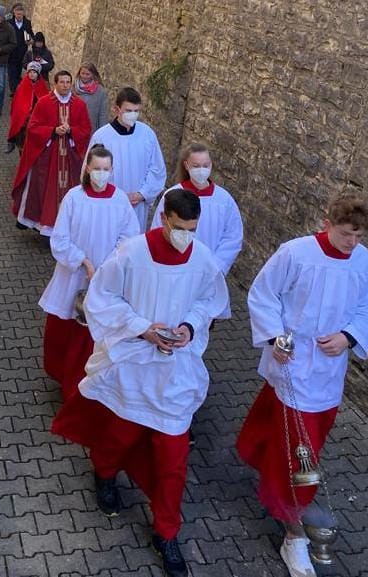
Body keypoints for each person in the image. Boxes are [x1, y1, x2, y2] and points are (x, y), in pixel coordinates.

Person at [52, 188, 230, 577]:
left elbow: (209, 301)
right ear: (164, 218)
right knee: (120, 435)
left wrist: (188, 327)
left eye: (193, 229)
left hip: (174, 370)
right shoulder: (131, 252)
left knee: (173, 458)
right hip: (135, 361)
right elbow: (102, 297)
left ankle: (166, 532)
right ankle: (104, 473)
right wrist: (141, 328)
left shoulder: (201, 258)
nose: (186, 236)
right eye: (180, 227)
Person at [236, 193, 368, 577]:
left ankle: (268, 474)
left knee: (301, 436)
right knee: (300, 449)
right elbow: (263, 293)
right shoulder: (295, 253)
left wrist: (348, 337)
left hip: (328, 370)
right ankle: (293, 528)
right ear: (327, 223)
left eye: (359, 236)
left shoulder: (363, 262)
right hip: (292, 362)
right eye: (348, 234)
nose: (353, 243)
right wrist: (274, 337)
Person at [39, 144, 139, 398]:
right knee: (67, 332)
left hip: (106, 279)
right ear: (87, 168)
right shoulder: (74, 197)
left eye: (106, 169)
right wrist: (84, 262)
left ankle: (89, 385)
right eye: (97, 169)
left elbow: (129, 239)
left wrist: (107, 267)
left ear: (111, 170)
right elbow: (60, 239)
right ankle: (64, 378)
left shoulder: (120, 200)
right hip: (73, 276)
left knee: (94, 336)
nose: (101, 174)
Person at [11, 70, 92, 235]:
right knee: (42, 190)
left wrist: (71, 131)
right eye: (61, 82)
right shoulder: (43, 102)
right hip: (47, 156)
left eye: (68, 82)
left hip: (70, 157)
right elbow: (33, 128)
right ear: (55, 83)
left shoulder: (79, 104)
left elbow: (86, 129)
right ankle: (40, 224)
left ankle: (65, 227)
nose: (65, 85)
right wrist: (53, 131)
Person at [151, 142, 243, 275]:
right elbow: (158, 229)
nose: (201, 170)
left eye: (205, 166)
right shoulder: (172, 195)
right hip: (174, 267)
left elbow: (233, 236)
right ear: (186, 165)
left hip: (209, 269)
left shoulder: (224, 200)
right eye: (196, 166)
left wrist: (215, 266)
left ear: (211, 165)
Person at [87, 87, 166, 230]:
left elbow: (157, 169)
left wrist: (142, 193)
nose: (133, 115)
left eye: (136, 111)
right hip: (109, 202)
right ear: (117, 110)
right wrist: (115, 195)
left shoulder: (147, 134)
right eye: (129, 111)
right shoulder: (102, 137)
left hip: (137, 203)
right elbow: (91, 171)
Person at [6, 61, 49, 152]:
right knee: (20, 136)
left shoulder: (43, 85)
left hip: (36, 117)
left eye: (34, 72)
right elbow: (17, 102)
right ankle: (12, 142)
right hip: (24, 118)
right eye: (30, 72)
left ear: (38, 73)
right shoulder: (22, 85)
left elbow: (45, 102)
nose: (32, 74)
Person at [8, 3, 34, 96]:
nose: (19, 16)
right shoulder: (9, 23)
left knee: (18, 70)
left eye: (21, 14)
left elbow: (31, 34)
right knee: (11, 71)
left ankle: (17, 87)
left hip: (22, 51)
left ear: (23, 14)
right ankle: (13, 90)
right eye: (17, 14)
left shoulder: (27, 23)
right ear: (14, 13)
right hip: (11, 51)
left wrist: (30, 40)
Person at [73, 62, 108, 131]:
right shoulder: (72, 89)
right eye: (82, 73)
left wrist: (102, 132)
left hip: (92, 127)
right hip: (74, 127)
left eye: (87, 74)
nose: (84, 76)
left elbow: (102, 114)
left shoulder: (101, 91)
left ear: (93, 74)